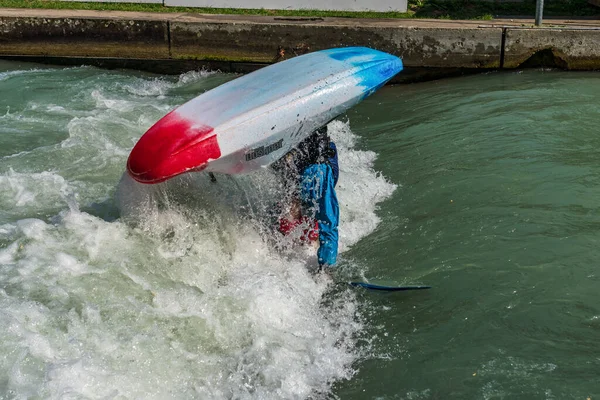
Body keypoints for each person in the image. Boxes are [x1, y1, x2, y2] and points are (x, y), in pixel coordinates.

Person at [272, 126, 339, 270]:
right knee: (295, 207)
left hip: (316, 166)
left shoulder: (321, 173)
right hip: (299, 160)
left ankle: (325, 268)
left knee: (322, 218)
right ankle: (323, 265)